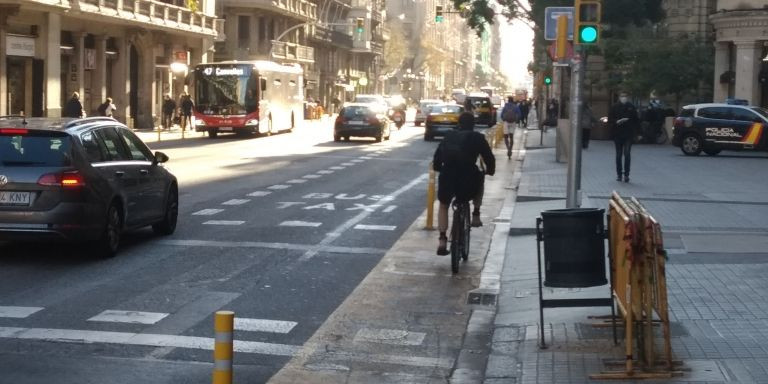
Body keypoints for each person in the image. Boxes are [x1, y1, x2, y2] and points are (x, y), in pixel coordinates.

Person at [432, 112, 496, 255]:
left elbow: (437, 158)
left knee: (443, 205)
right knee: (480, 179)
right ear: (473, 124)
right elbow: (488, 157)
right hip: (468, 178)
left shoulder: (449, 136)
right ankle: (476, 214)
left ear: (459, 124)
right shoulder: (477, 138)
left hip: (448, 176)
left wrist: (440, 169)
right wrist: (490, 171)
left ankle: (442, 240)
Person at [608, 92, 639, 182]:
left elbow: (636, 120)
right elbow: (610, 119)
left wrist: (638, 133)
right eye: (622, 96)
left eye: (625, 96)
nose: (624, 98)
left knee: (627, 154)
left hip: (628, 134)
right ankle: (619, 174)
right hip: (618, 133)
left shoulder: (631, 107)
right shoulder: (614, 107)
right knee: (618, 154)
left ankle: (626, 174)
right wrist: (616, 122)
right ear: (619, 97)